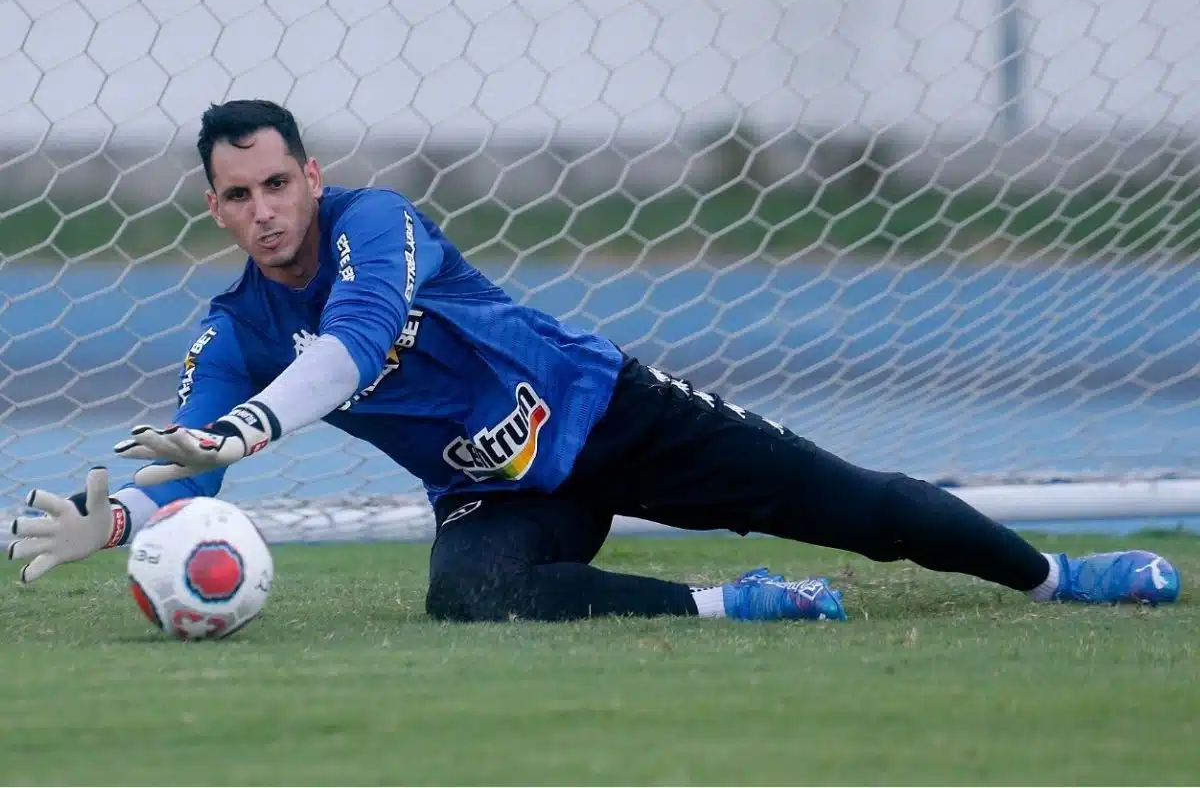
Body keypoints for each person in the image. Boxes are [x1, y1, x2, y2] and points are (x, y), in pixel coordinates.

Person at [7, 99, 1182, 622]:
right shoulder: (234, 330)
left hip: (606, 407)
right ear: (214, 208)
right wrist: (119, 522)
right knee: (469, 596)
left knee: (860, 506)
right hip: (501, 485)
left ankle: (1056, 578)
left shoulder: (379, 223)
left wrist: (248, 427)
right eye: (238, 195)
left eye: (277, 182)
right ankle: (730, 604)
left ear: (311, 176)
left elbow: (354, 350)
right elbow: (193, 469)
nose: (264, 209)